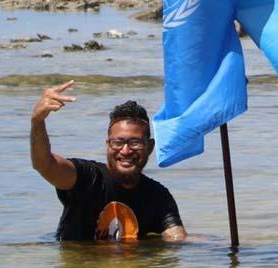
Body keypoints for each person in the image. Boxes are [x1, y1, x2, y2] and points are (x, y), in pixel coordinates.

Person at [30, 80, 186, 241]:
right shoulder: (87, 179)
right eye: (118, 142)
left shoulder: (158, 196)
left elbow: (177, 239)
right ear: (108, 145)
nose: (125, 151)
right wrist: (37, 121)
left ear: (150, 147)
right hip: (80, 263)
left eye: (135, 142)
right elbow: (44, 165)